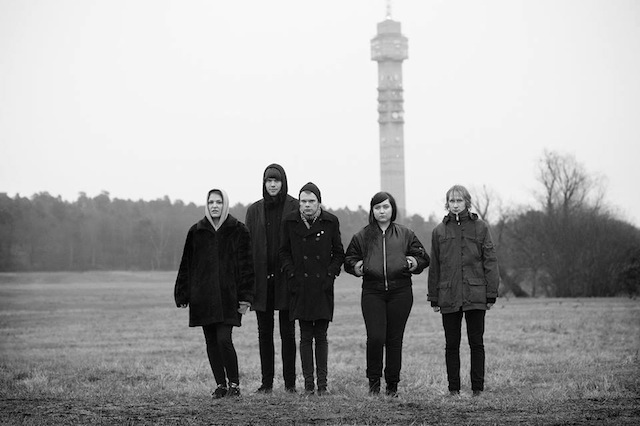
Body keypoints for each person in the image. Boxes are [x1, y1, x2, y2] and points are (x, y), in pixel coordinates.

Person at [344, 191, 430, 397]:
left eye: (385, 207)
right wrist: (356, 266)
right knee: (375, 338)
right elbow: (348, 260)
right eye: (377, 207)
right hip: (372, 292)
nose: (381, 211)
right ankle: (373, 384)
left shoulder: (406, 234)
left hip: (401, 292)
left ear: (392, 209)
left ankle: (392, 386)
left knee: (394, 339)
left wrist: (413, 262)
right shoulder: (362, 236)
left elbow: (423, 258)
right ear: (372, 211)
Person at [174, 188, 255, 398]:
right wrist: (182, 293)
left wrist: (246, 297)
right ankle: (221, 385)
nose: (215, 206)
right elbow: (187, 264)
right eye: (211, 202)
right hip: (203, 297)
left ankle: (234, 384)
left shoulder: (239, 230)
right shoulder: (196, 231)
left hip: (229, 297)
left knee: (224, 340)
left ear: (225, 204)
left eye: (218, 202)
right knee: (211, 341)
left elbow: (247, 267)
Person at [427, 184, 499, 397]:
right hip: (448, 295)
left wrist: (491, 293)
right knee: (451, 344)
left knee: (476, 343)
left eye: (459, 200)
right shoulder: (439, 231)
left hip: (475, 294)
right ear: (447, 203)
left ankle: (477, 389)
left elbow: (490, 261)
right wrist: (434, 297)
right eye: (452, 201)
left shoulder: (481, 228)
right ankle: (454, 389)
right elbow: (435, 266)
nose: (456, 205)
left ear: (467, 202)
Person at [279, 182, 345, 395]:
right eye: (303, 201)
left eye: (311, 201)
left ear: (319, 202)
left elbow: (339, 252)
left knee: (321, 335)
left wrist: (330, 274)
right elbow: (283, 251)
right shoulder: (290, 221)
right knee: (305, 335)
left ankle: (322, 385)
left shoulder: (330, 221)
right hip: (300, 286)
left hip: (322, 286)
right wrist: (291, 274)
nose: (307, 205)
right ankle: (309, 385)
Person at [245, 164, 299, 393]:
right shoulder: (254, 211)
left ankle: (290, 384)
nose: (273, 184)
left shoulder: (295, 206)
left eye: (276, 180)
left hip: (286, 279)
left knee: (288, 333)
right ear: (264, 183)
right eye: (269, 180)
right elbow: (248, 247)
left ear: (283, 182)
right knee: (264, 333)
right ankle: (266, 383)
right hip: (262, 281)